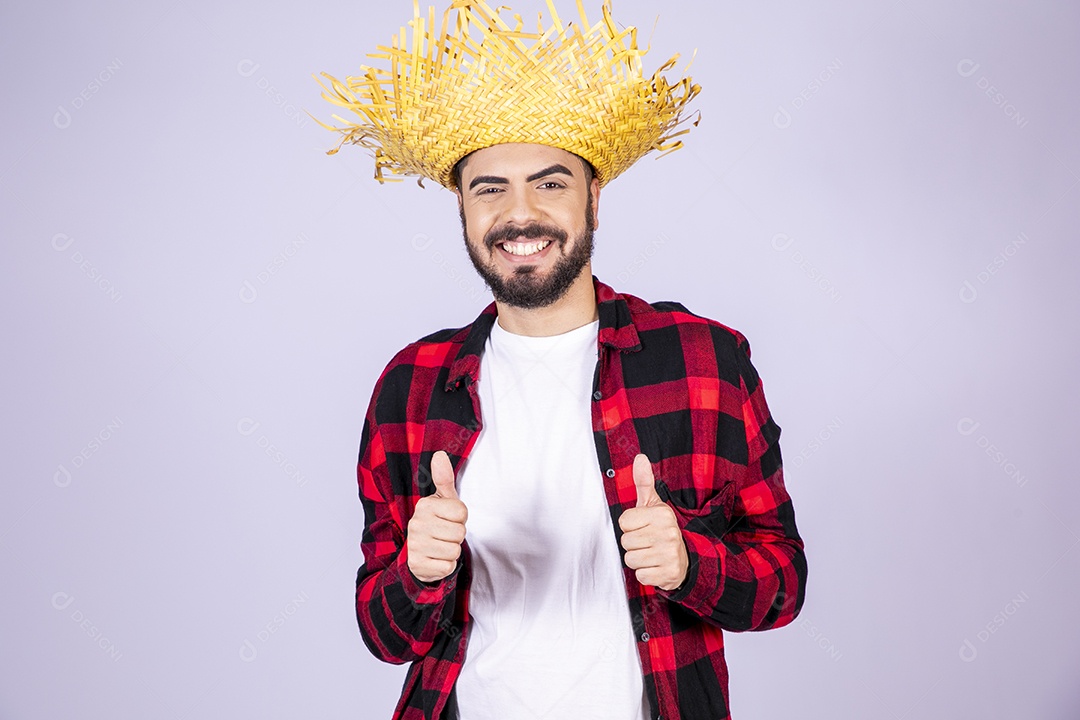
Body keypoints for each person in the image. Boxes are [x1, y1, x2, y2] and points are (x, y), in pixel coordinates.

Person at [316, 2, 807, 719]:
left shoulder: (705, 360)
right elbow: (383, 634)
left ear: (594, 200)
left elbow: (783, 582)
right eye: (490, 188)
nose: (521, 215)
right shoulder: (410, 386)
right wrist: (418, 573)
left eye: (550, 183)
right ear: (461, 207)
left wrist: (691, 565)